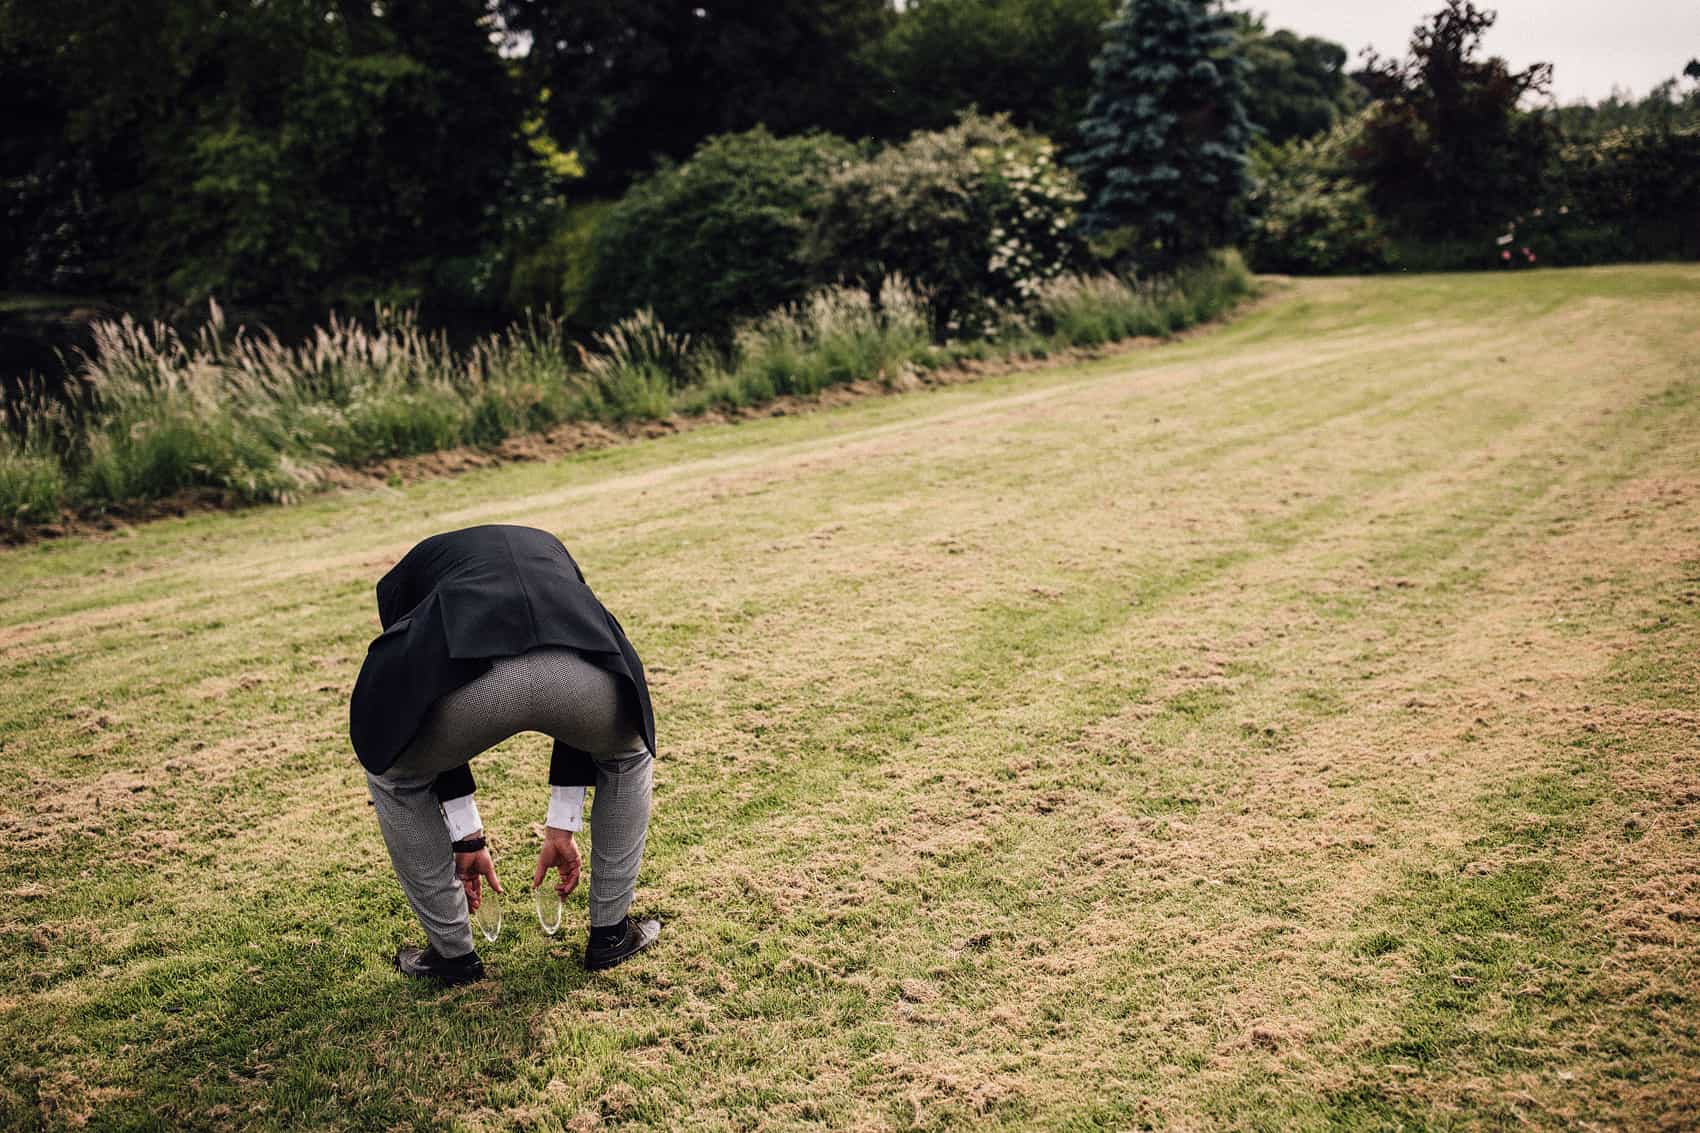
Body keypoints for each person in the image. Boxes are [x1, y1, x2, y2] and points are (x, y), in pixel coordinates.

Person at [349, 524, 661, 984]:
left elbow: (419, 691)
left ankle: (452, 955)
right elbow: (583, 655)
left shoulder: (410, 577)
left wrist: (467, 834)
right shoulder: (551, 552)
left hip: (468, 692)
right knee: (624, 755)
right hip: (582, 680)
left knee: (398, 777)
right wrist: (561, 823)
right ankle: (611, 934)